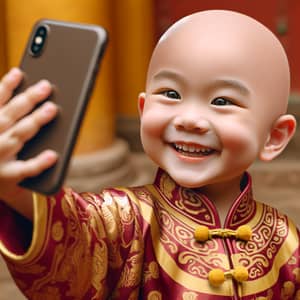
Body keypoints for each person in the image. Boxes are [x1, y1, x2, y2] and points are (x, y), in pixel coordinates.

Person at [0, 9, 299, 300]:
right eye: (170, 94)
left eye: (222, 100)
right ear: (144, 111)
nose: (188, 119)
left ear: (273, 137)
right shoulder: (126, 219)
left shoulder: (284, 238)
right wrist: (19, 191)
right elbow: (75, 237)